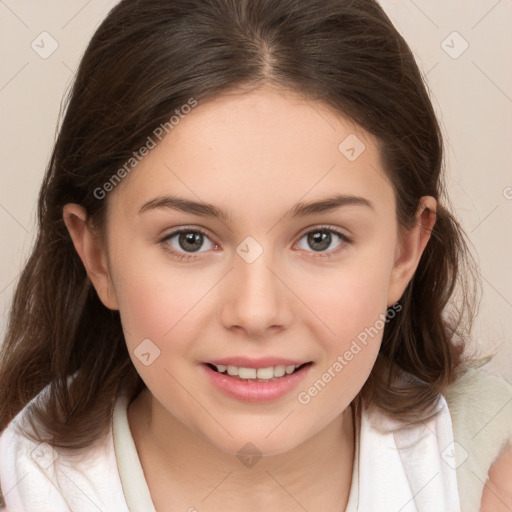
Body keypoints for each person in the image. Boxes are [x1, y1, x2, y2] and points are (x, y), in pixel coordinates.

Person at [0, 0, 511, 510]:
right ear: (98, 256)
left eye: (320, 239)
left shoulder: (491, 476)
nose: (256, 312)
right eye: (190, 239)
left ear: (405, 251)